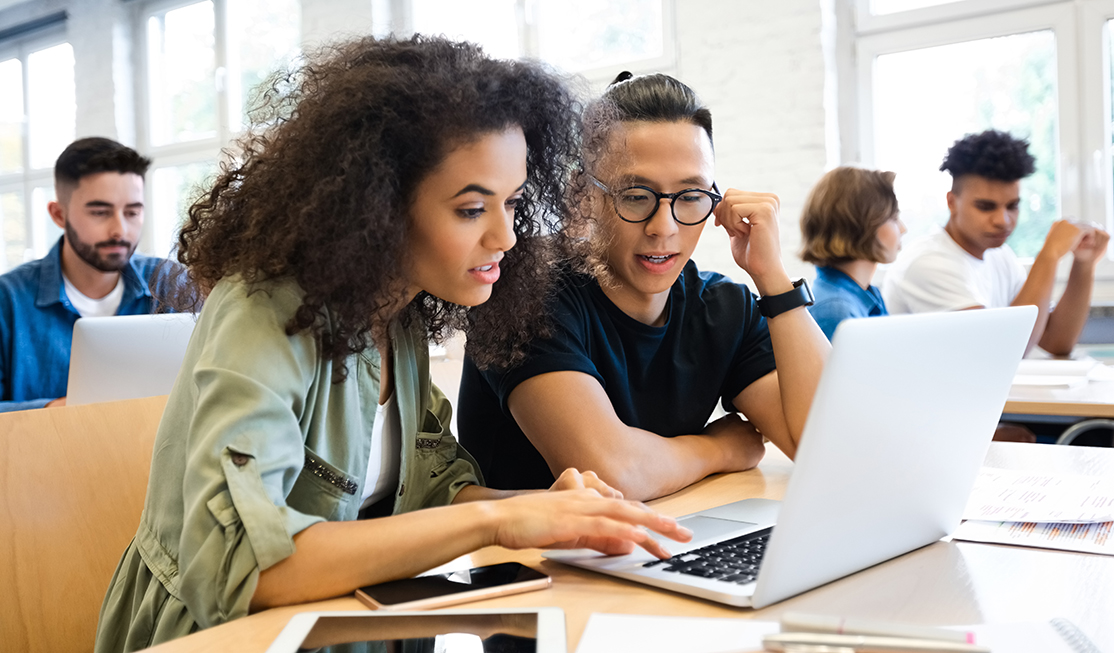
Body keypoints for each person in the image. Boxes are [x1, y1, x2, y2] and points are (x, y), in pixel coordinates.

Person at [94, 37, 690, 653]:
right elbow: (247, 567)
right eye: (470, 209)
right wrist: (501, 521)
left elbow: (432, 486)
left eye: (511, 203)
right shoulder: (263, 311)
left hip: (358, 629)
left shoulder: (397, 311)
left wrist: (545, 508)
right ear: (378, 205)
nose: (507, 237)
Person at [456, 72, 831, 501]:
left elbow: (829, 447)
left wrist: (772, 278)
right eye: (635, 196)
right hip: (531, 563)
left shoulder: (725, 308)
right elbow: (612, 474)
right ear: (583, 196)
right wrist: (720, 448)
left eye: (690, 196)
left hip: (666, 544)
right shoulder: (523, 293)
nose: (663, 228)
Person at [882, 129, 1109, 356]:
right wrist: (1049, 254)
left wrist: (1083, 265)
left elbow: (1055, 341)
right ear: (952, 202)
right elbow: (1003, 351)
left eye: (1012, 206)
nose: (1003, 221)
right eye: (985, 207)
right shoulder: (928, 263)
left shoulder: (1000, 255)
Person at [0, 137, 179, 412]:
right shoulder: (8, 299)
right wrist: (54, 411)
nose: (120, 229)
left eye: (132, 212)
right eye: (100, 212)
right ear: (59, 214)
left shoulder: (171, 284)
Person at [799, 166, 905, 340]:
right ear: (862, 224)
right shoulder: (836, 310)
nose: (903, 229)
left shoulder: (865, 294)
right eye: (893, 218)